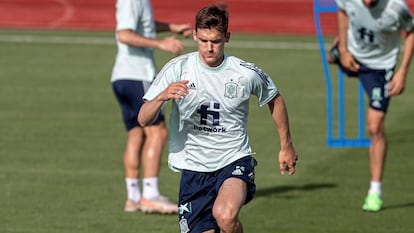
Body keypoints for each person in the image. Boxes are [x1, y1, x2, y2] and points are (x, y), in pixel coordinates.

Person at [138, 3, 298, 232]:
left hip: (233, 159)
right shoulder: (178, 68)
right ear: (194, 35)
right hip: (193, 168)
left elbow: (275, 98)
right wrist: (163, 96)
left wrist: (286, 146)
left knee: (225, 215)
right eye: (203, 40)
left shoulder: (244, 73)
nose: (209, 48)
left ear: (227, 37)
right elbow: (143, 119)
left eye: (215, 41)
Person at [327, 0, 414, 212]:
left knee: (375, 127)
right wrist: (344, 49)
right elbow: (342, 11)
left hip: (379, 68)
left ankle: (375, 191)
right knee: (331, 56)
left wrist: (402, 72)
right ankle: (342, 47)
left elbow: (411, 32)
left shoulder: (396, 8)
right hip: (353, 54)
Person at [110, 0, 192, 214]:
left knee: (136, 133)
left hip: (122, 77)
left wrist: (171, 27)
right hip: (138, 75)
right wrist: (161, 43)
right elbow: (124, 34)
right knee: (158, 132)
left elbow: (142, 25)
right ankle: (150, 194)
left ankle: (133, 196)